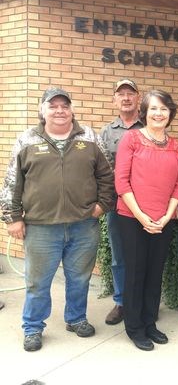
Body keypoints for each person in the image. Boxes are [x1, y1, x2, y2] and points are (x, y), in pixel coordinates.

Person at [0, 87, 114, 352]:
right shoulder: (27, 139)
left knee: (80, 278)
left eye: (65, 106)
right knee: (38, 282)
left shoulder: (90, 137)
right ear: (43, 110)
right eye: (53, 106)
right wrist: (12, 217)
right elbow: (12, 182)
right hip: (41, 227)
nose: (60, 111)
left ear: (71, 109)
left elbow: (107, 175)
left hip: (83, 225)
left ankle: (76, 319)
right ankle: (33, 327)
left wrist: (101, 206)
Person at [115, 89, 178, 351]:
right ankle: (134, 327)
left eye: (164, 109)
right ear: (144, 112)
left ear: (170, 113)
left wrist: (166, 216)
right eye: (153, 108)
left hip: (163, 220)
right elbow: (121, 181)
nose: (158, 113)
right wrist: (142, 216)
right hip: (132, 218)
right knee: (136, 273)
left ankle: (149, 322)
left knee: (155, 272)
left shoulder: (175, 145)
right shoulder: (131, 139)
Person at [100, 79, 143, 325]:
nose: (126, 98)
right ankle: (121, 302)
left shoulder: (149, 127)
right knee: (120, 256)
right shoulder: (106, 132)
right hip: (117, 205)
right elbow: (102, 169)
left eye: (130, 93)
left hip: (147, 202)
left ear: (138, 98)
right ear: (114, 100)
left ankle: (143, 301)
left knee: (144, 254)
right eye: (121, 94)